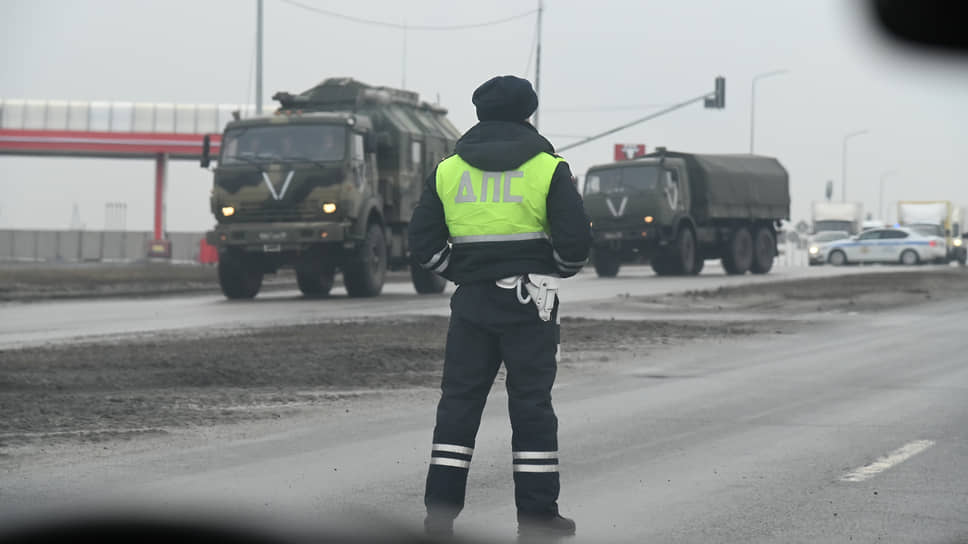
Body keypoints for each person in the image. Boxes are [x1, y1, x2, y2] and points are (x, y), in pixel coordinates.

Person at [408, 75, 592, 539]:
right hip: (529, 302)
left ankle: (440, 516)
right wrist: (554, 268)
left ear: (479, 114)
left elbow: (423, 242)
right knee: (531, 407)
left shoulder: (448, 169)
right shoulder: (548, 168)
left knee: (458, 405)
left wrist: (458, 270)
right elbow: (575, 243)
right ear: (527, 113)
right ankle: (537, 518)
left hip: (471, 303)